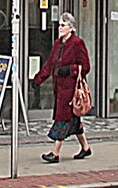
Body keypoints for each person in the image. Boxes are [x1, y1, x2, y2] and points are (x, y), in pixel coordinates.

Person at [31, 11, 92, 163]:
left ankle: (55, 152)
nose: (60, 28)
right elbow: (49, 64)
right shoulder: (58, 44)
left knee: (63, 119)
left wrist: (70, 70)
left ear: (71, 28)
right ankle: (85, 148)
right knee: (74, 120)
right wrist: (38, 79)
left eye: (63, 25)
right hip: (59, 88)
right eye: (59, 25)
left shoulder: (77, 43)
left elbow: (86, 67)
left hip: (71, 90)